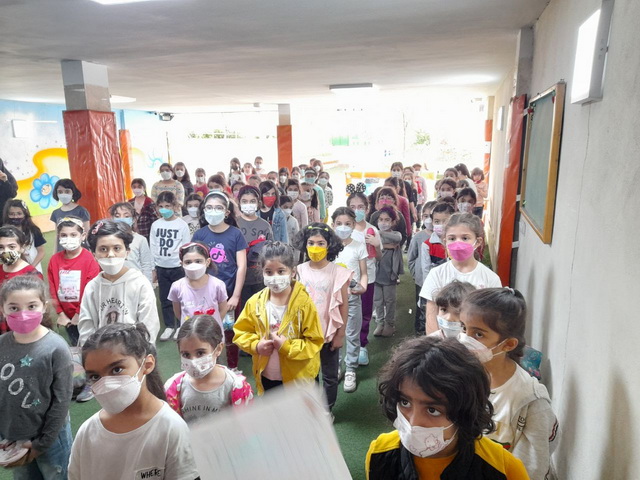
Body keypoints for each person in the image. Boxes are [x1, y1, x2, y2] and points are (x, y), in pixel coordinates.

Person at [366, 336, 529, 480]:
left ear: (465, 411)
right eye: (404, 402)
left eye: (432, 410)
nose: (414, 422)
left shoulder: (504, 470)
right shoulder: (379, 454)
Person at [69, 323, 199, 480]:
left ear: (147, 365)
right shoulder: (87, 432)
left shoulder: (171, 428)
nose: (106, 384)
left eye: (116, 370)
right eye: (95, 377)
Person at [460, 288, 558, 480]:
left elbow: (530, 469)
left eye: (478, 334)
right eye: (463, 328)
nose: (465, 340)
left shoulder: (530, 401)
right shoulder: (460, 377)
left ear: (508, 344)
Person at [0, 275, 73, 479]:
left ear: (44, 306)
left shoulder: (56, 348)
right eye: (14, 308)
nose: (23, 314)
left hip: (52, 439)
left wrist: (42, 444)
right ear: (3, 309)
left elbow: (61, 401)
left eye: (31, 306)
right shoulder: (1, 344)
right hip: (14, 438)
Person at [234, 241, 324, 394]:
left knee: (301, 409)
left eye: (281, 271)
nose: (275, 277)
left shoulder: (304, 304)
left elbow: (314, 341)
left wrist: (287, 346)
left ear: (292, 272)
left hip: (299, 378)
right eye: (269, 272)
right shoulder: (255, 303)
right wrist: (256, 345)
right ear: (262, 272)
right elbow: (241, 332)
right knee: (274, 409)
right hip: (268, 375)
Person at [294, 224, 350, 411]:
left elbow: (343, 305)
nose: (315, 247)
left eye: (320, 243)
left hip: (328, 333)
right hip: (305, 334)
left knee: (330, 375)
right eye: (311, 243)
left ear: (329, 245)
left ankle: (327, 409)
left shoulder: (337, 272)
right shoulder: (299, 270)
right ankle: (313, 408)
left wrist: (340, 334)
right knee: (309, 375)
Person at [78, 220, 160, 345]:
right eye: (103, 249)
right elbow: (86, 327)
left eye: (117, 248)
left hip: (134, 351)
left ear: (127, 252)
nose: (110, 255)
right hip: (101, 351)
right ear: (94, 254)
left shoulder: (140, 283)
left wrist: (141, 352)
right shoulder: (92, 287)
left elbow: (149, 325)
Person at [192, 192, 247, 372]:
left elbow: (241, 267)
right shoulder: (200, 234)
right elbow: (194, 263)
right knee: (205, 330)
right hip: (205, 294)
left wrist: (236, 296)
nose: (213, 211)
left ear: (226, 212)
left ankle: (232, 367)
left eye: (218, 208)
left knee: (230, 331)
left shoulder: (236, 234)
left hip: (229, 294)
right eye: (209, 207)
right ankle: (208, 365)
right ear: (203, 210)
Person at [420, 213, 502, 334]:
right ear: (445, 241)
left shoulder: (491, 278)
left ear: (478, 242)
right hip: (441, 341)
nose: (458, 243)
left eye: (465, 238)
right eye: (452, 238)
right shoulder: (436, 274)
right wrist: (435, 342)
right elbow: (431, 315)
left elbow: (493, 319)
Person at [165, 315, 252, 423]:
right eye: (186, 354)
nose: (193, 361)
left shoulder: (236, 387)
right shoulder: (174, 388)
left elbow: (246, 424)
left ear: (218, 349)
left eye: (200, 353)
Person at [48, 217, 100, 347]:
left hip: (86, 313)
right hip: (66, 317)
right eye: (64, 235)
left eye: (73, 235)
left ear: (82, 236)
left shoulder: (89, 259)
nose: (68, 238)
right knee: (75, 345)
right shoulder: (54, 260)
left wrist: (78, 314)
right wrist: (60, 313)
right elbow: (53, 288)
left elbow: (90, 289)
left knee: (92, 346)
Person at [332, 207, 368, 393]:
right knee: (334, 333)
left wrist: (363, 287)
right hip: (333, 300)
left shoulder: (359, 246)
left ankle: (351, 369)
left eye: (347, 224)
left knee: (352, 334)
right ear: (333, 225)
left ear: (354, 225)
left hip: (352, 298)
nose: (343, 227)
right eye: (339, 223)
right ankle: (336, 366)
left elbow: (364, 274)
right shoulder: (329, 247)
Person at [347, 188, 381, 366]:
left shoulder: (372, 230)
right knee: (347, 312)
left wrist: (377, 245)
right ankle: (347, 344)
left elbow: (379, 257)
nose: (357, 210)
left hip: (368, 278)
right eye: (352, 207)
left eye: (360, 207)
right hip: (347, 278)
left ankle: (362, 345)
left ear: (367, 209)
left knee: (365, 312)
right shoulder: (344, 229)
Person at [150, 192, 191, 341]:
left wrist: (186, 265)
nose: (164, 209)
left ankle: (181, 325)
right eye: (161, 206)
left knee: (181, 297)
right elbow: (153, 245)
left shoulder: (182, 225)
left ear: (174, 206)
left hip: (177, 267)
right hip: (161, 267)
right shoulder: (156, 225)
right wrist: (153, 267)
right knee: (165, 298)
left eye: (167, 206)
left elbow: (186, 246)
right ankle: (169, 326)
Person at [168, 242, 228, 332]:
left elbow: (223, 310)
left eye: (198, 261)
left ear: (207, 262)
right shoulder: (177, 287)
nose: (193, 265)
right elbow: (178, 312)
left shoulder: (217, 285)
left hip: (213, 334)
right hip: (188, 334)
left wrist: (214, 326)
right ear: (182, 264)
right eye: (188, 262)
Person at [407, 202, 445, 335]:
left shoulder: (446, 239)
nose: (428, 220)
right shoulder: (419, 237)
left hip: (440, 282)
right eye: (425, 216)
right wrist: (415, 274)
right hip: (421, 281)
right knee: (422, 308)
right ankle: (420, 333)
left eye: (431, 216)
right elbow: (411, 258)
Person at [237, 185, 273, 309]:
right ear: (239, 202)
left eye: (252, 201)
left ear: (258, 203)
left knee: (260, 309)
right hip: (239, 279)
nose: (248, 204)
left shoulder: (265, 225)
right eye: (244, 201)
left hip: (260, 279)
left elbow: (271, 253)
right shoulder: (234, 224)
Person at [371, 207, 403, 338]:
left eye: (387, 220)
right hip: (376, 274)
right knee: (378, 300)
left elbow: (396, 238)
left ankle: (390, 324)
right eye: (380, 220)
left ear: (393, 222)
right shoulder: (375, 234)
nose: (383, 223)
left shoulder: (396, 234)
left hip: (390, 274)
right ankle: (380, 323)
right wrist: (386, 246)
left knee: (390, 300)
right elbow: (374, 245)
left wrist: (378, 237)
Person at [109, 202, 154, 282]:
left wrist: (147, 284)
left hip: (136, 282)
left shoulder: (140, 240)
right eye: (117, 216)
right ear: (112, 218)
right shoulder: (108, 239)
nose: (122, 219)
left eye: (126, 216)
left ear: (133, 219)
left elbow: (146, 265)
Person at [3, 200, 46, 272]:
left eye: (19, 213)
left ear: (25, 214)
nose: (15, 217)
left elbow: (41, 252)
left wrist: (31, 268)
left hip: (33, 270)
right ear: (7, 215)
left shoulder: (33, 230)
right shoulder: (5, 233)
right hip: (12, 270)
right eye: (12, 214)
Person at [420, 203, 455, 289]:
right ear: (432, 222)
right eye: (437, 221)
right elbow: (426, 271)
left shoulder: (458, 244)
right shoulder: (427, 245)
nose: (441, 225)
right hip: (436, 287)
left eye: (445, 221)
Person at [50, 178, 91, 251]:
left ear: (73, 192)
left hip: (80, 250)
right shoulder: (55, 213)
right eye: (60, 192)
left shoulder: (81, 211)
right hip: (63, 250)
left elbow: (87, 233)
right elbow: (57, 235)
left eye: (67, 191)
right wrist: (54, 253)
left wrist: (91, 251)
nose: (63, 194)